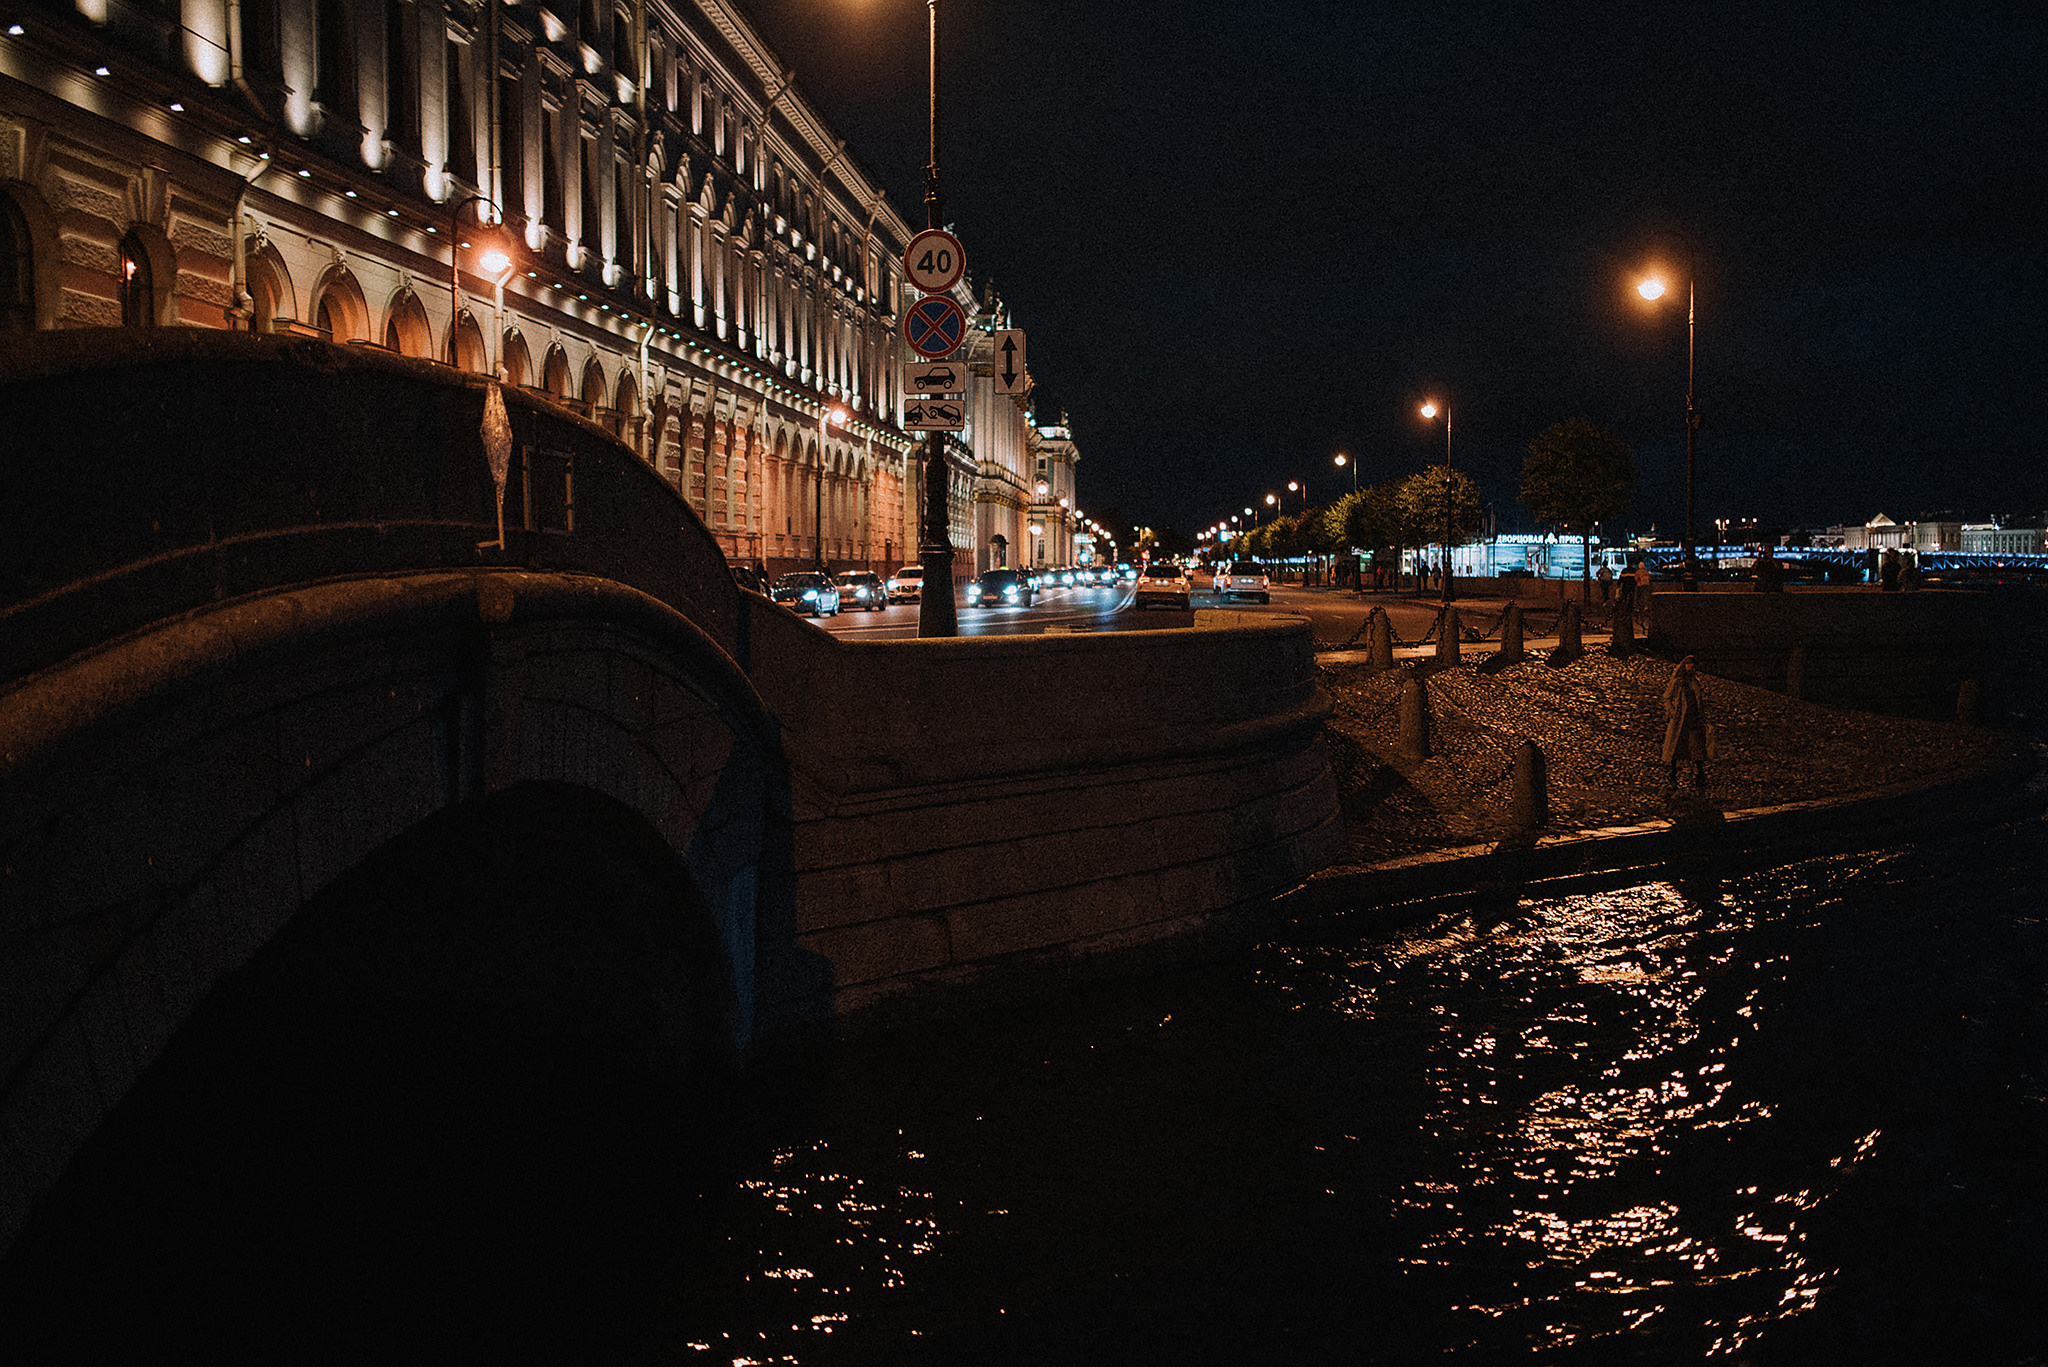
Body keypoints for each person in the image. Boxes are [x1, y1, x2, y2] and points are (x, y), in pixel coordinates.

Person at [1662, 655, 1711, 791]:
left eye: (1694, 667)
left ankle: (1700, 774)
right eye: (1690, 666)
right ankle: (1673, 773)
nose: (1692, 669)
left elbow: (1699, 699)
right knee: (1676, 746)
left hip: (1694, 718)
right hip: (1680, 718)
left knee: (1697, 747)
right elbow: (1667, 697)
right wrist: (1672, 711)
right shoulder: (1677, 682)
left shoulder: (1695, 682)